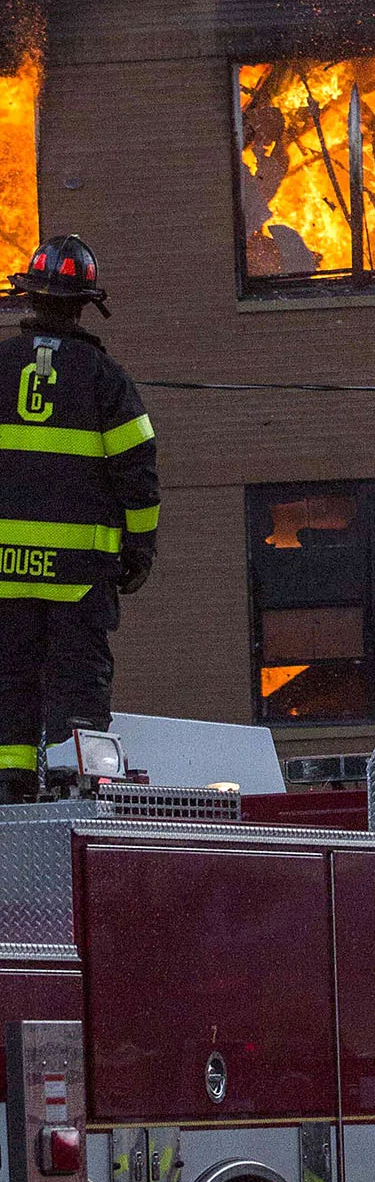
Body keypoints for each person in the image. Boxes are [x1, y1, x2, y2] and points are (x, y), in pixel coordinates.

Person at [0, 238, 158, 799]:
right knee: (77, 688)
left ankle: (10, 785)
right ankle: (77, 787)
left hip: (5, 575)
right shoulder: (104, 380)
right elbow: (138, 479)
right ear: (85, 302)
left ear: (30, 297)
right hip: (78, 575)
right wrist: (140, 551)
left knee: (10, 681)